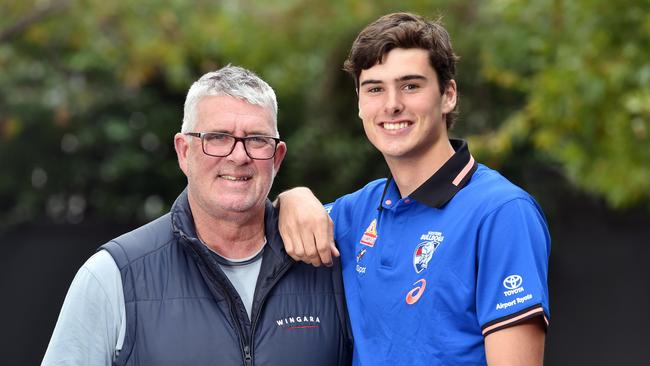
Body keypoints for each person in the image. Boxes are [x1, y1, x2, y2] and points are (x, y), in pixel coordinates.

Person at [277, 12, 550, 365]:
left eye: (410, 85)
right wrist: (291, 197)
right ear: (360, 104)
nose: (392, 104)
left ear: (448, 95)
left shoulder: (501, 211)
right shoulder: (355, 213)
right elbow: (266, 228)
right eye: (375, 88)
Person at [42, 65, 352, 366]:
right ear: (184, 151)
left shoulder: (333, 263)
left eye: (257, 139)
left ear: (277, 158)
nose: (239, 156)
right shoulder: (114, 276)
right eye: (217, 137)